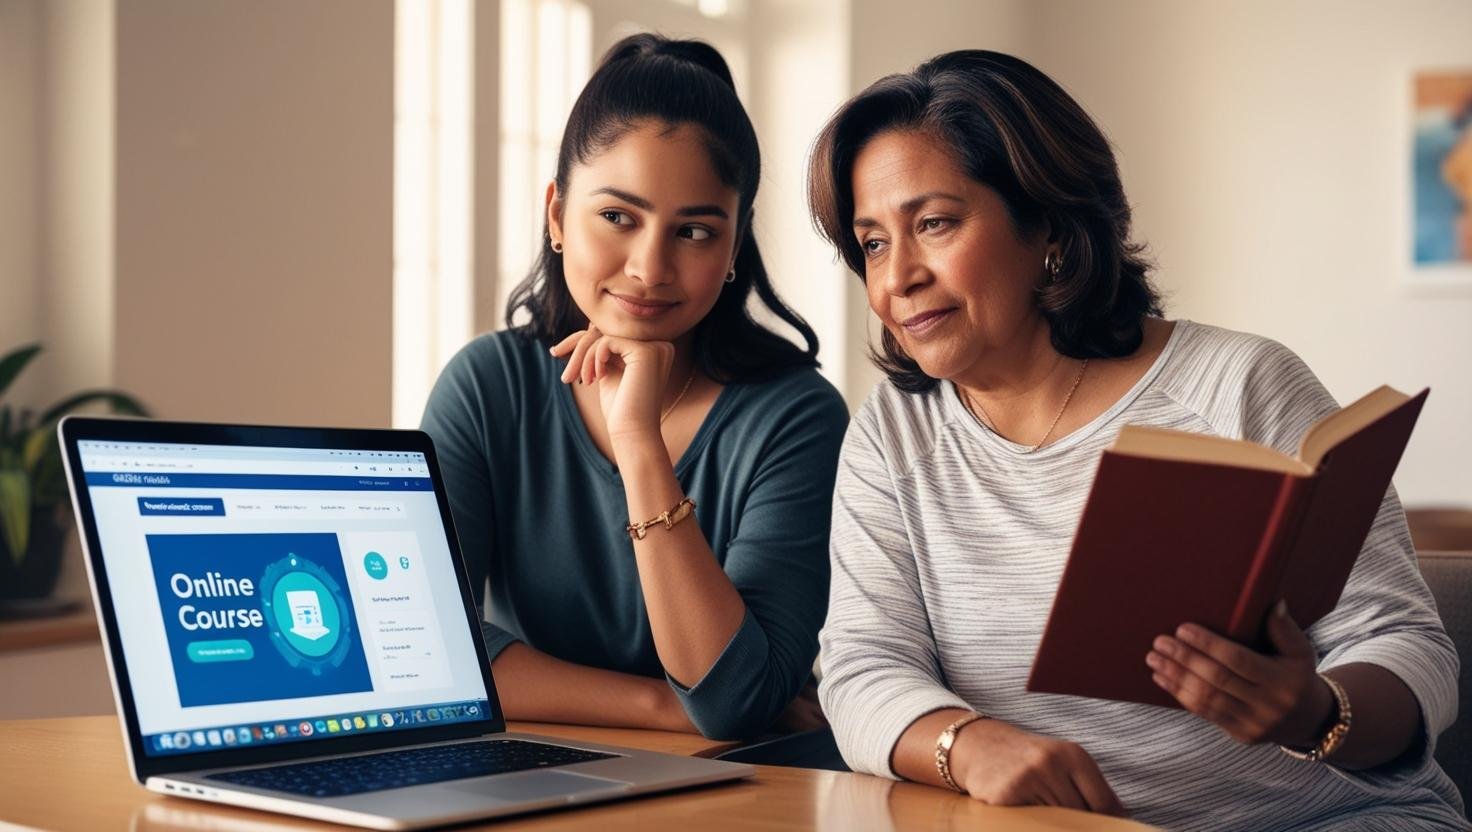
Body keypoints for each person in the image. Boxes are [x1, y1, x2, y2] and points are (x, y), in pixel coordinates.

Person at [808, 49, 1466, 829]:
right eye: (873, 242)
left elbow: (1409, 646)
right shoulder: (893, 433)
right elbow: (859, 668)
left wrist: (1315, 711)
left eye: (935, 224)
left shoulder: (1239, 384)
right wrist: (968, 744)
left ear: (1046, 224)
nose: (897, 278)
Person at [421, 33, 846, 741]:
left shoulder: (796, 418)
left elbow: (737, 697)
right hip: (536, 778)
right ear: (557, 215)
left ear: (734, 247)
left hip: (744, 793)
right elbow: (431, 651)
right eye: (619, 217)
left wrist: (639, 443)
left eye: (696, 233)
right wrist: (664, 705)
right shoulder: (489, 386)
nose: (650, 267)